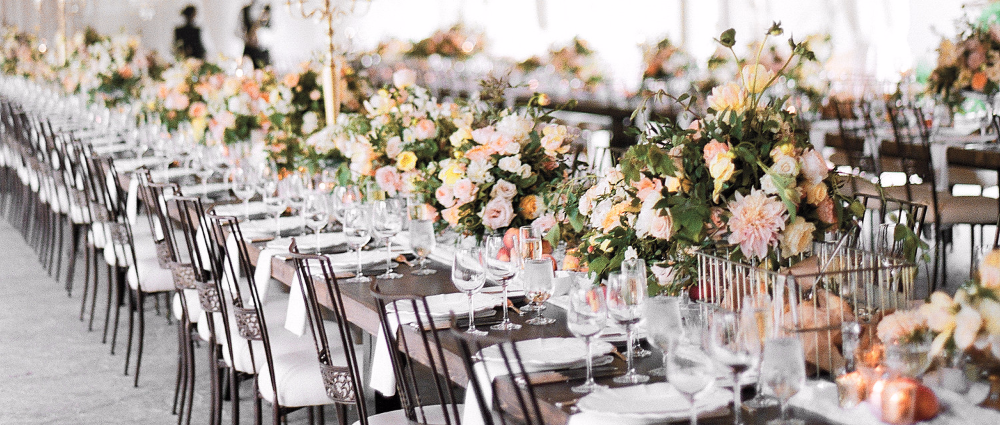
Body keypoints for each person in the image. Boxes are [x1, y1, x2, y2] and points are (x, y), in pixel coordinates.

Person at [240, 0, 271, 69]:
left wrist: (259, 36)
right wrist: (247, 37)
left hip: (262, 51)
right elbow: (237, 31)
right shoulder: (244, 9)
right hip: (248, 50)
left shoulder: (268, 9)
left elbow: (274, 31)